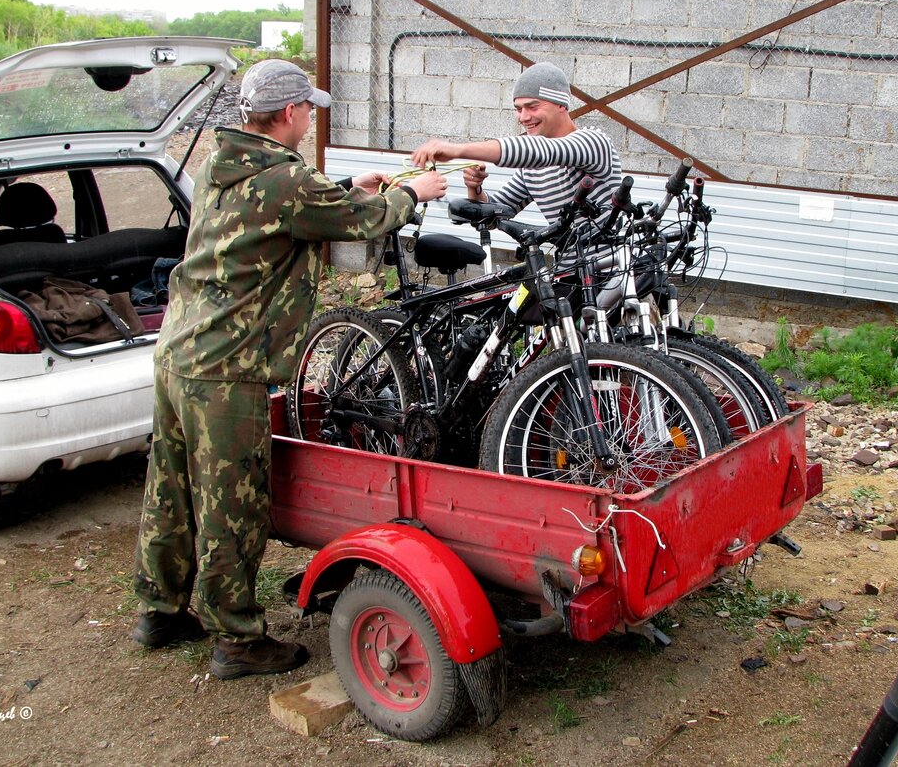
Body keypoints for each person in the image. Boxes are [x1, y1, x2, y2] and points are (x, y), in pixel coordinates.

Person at [131, 60, 447, 679]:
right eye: (307, 108)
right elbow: (360, 220)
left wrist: (353, 183)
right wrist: (410, 196)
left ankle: (160, 608)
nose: (310, 116)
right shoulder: (287, 180)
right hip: (227, 367)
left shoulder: (226, 164)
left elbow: (297, 208)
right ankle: (237, 640)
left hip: (179, 354)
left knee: (170, 488)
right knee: (231, 503)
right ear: (286, 114)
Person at [410, 61, 622, 222]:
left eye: (533, 106)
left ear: (561, 105)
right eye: (519, 109)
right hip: (567, 272)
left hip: (614, 271)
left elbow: (543, 152)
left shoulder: (594, 143)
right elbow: (495, 214)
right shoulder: (531, 171)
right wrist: (475, 188)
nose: (523, 117)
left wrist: (457, 150)